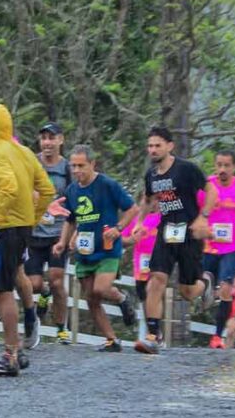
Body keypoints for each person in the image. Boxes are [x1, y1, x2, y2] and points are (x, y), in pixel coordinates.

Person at [0, 104, 53, 376]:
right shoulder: (25, 152)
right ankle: (17, 348)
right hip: (23, 227)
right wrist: (34, 215)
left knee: (2, 291)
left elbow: (9, 187)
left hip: (6, 228)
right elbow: (47, 190)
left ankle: (11, 355)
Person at [134, 126, 218, 355]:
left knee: (188, 292)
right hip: (166, 231)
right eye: (150, 145)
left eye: (157, 145)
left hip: (190, 232)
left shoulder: (186, 169)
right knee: (156, 278)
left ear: (170, 146)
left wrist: (203, 218)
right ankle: (153, 335)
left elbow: (212, 191)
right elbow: (148, 198)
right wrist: (141, 222)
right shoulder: (151, 174)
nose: (152, 150)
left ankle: (206, 282)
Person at [51, 145, 138, 352]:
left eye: (81, 165)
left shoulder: (107, 184)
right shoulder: (72, 190)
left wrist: (118, 229)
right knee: (91, 297)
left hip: (108, 248)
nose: (77, 170)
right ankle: (111, 340)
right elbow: (70, 220)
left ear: (92, 164)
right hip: (84, 251)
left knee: (101, 289)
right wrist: (63, 241)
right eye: (73, 166)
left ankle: (123, 298)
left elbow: (132, 208)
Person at [199, 150, 235, 349]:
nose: (222, 170)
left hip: (232, 247)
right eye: (219, 165)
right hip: (209, 246)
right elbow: (197, 208)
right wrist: (202, 226)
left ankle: (217, 337)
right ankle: (213, 293)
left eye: (226, 166)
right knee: (205, 286)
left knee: (225, 290)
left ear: (234, 167)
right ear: (215, 166)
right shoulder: (206, 185)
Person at [26, 122, 71, 343]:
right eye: (43, 138)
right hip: (34, 232)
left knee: (56, 280)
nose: (47, 143)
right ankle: (42, 295)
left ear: (60, 140)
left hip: (58, 233)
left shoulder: (68, 168)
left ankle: (61, 329)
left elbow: (76, 200)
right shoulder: (31, 163)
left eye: (52, 138)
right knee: (33, 284)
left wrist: (72, 232)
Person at [121, 202, 162, 335]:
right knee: (144, 296)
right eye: (148, 201)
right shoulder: (136, 220)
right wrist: (132, 239)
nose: (152, 204)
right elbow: (122, 239)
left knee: (154, 292)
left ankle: (155, 330)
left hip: (159, 261)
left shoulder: (163, 217)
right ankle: (152, 329)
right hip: (141, 264)